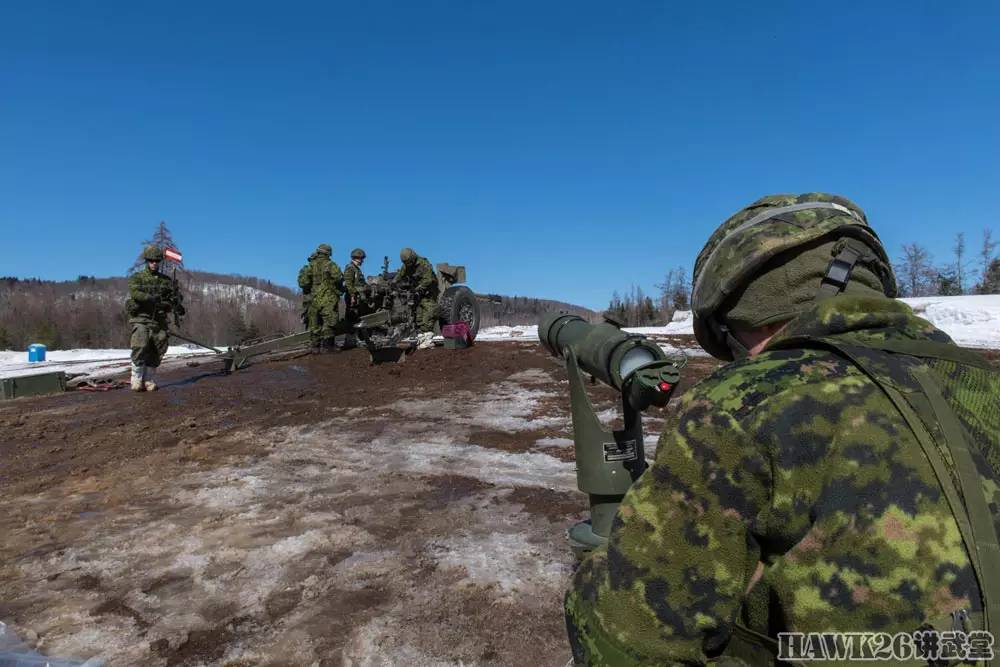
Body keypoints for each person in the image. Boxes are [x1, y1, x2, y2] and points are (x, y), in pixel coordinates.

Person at [565, 193, 998, 665]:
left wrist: (603, 559)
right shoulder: (986, 383)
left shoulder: (740, 403)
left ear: (745, 313)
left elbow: (625, 642)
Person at [126, 245, 184, 391]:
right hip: (142, 317)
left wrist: (176, 302)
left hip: (159, 319)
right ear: (147, 261)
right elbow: (135, 293)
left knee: (159, 348)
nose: (154, 263)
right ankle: (137, 378)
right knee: (140, 343)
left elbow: (173, 298)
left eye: (156, 261)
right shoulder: (138, 277)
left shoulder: (166, 281)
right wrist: (150, 298)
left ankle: (149, 379)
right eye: (151, 261)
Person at [297, 243, 343, 352]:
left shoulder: (310, 266)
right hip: (328, 298)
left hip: (313, 299)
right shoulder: (331, 264)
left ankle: (315, 347)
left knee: (314, 323)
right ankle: (328, 347)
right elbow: (338, 277)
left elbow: (303, 283)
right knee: (329, 323)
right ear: (328, 253)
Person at [392, 247, 439, 335]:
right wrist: (394, 282)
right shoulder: (406, 265)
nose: (408, 265)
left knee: (430, 311)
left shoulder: (423, 263)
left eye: (409, 262)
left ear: (413, 258)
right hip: (416, 292)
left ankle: (426, 333)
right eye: (406, 263)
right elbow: (400, 275)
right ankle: (416, 332)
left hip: (428, 291)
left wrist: (417, 289)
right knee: (414, 313)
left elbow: (428, 280)